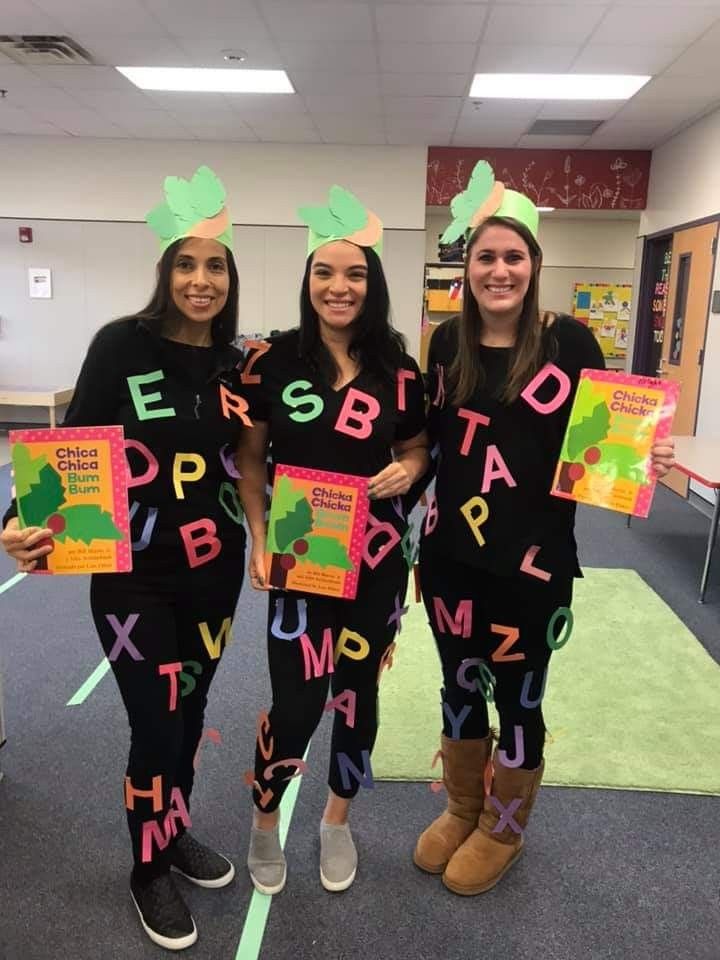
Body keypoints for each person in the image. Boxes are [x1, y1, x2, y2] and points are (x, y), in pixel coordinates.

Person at [1, 166, 250, 950]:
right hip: (132, 571)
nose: (200, 280)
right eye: (186, 263)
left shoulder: (238, 363)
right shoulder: (120, 344)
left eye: (214, 266)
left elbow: (254, 461)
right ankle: (147, 869)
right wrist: (18, 517)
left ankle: (172, 831)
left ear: (230, 278)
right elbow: (71, 443)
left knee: (195, 713)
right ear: (165, 271)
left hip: (215, 569)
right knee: (155, 722)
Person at [413, 162, 675, 896]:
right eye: (486, 257)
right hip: (448, 557)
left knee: (519, 696)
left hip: (533, 561)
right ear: (467, 268)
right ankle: (464, 804)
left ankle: (504, 824)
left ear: (534, 266)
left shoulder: (572, 345)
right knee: (457, 686)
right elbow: (425, 446)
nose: (500, 270)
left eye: (514, 257)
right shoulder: (444, 345)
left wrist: (643, 453)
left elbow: (606, 449)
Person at [236, 185, 429, 895]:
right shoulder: (271, 362)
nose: (339, 286)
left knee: (357, 694)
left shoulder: (400, 372)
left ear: (371, 287)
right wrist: (258, 537)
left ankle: (336, 819)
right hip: (299, 551)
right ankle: (264, 820)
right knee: (295, 701)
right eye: (325, 272)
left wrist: (407, 468)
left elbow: (417, 450)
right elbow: (251, 459)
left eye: (354, 275)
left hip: (377, 558)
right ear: (308, 281)